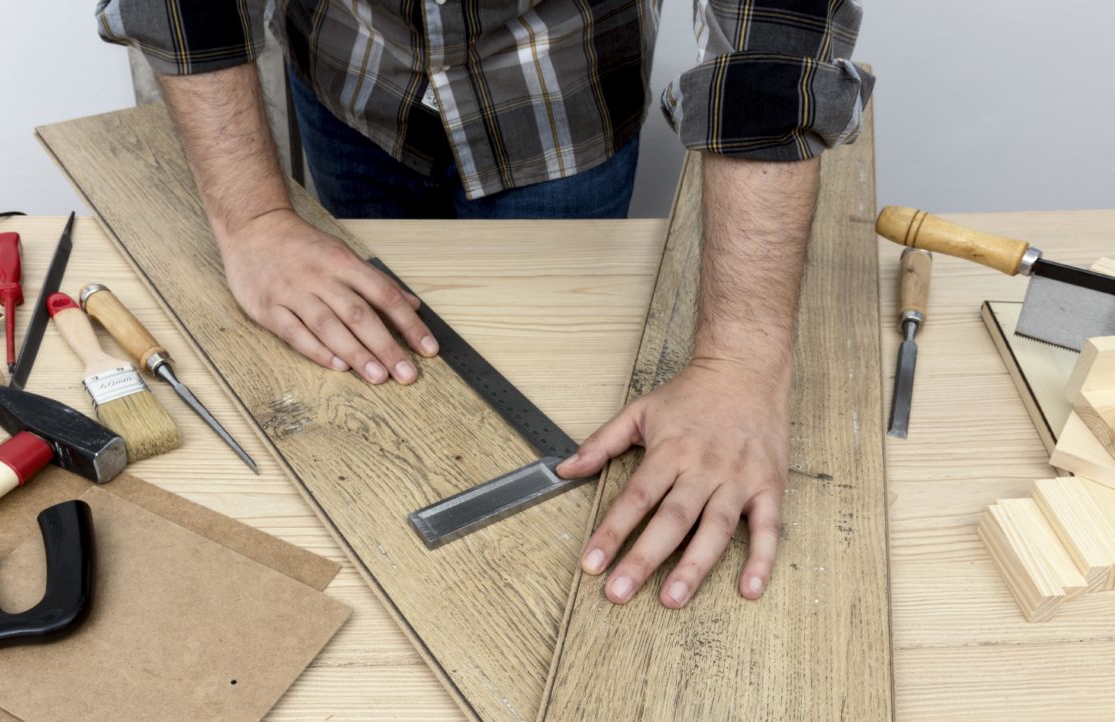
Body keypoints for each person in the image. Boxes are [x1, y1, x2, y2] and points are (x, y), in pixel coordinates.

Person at [97, 0, 873, 609]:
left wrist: (740, 357)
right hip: (351, 72)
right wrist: (254, 217)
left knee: (556, 368)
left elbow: (773, 31)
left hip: (561, 95)